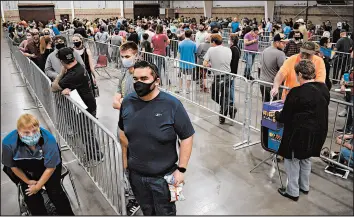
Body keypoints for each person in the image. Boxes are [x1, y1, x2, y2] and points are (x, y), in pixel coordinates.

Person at [118, 60, 194, 216]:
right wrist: (125, 162)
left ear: (157, 80)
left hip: (163, 179)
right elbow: (122, 131)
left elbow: (186, 137)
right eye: (135, 79)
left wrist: (181, 169)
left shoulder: (172, 105)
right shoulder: (127, 102)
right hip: (137, 176)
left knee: (165, 213)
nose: (138, 83)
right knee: (147, 211)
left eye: (144, 79)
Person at [275, 59, 329, 201]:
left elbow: (285, 116)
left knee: (292, 161)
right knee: (305, 159)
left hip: (299, 134)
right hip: (318, 133)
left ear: (299, 74)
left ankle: (293, 191)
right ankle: (304, 186)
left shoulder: (296, 92)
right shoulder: (324, 89)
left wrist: (277, 115)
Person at [1, 114, 75, 215]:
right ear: (18, 132)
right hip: (25, 170)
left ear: (39, 129)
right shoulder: (8, 143)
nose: (31, 135)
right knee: (31, 197)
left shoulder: (49, 140)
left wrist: (38, 186)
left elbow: (51, 167)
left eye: (34, 131)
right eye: (26, 133)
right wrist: (27, 181)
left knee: (56, 193)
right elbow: (12, 166)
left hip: (48, 168)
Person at [51, 47, 103, 163]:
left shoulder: (73, 74)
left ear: (62, 61)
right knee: (84, 133)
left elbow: (54, 87)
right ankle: (92, 154)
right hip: (84, 105)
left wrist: (61, 73)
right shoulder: (79, 66)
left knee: (87, 133)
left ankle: (97, 156)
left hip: (86, 107)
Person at [203, 34, 236, 124]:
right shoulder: (228, 49)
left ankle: (227, 109)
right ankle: (228, 110)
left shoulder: (211, 49)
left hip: (219, 77)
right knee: (225, 96)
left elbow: (204, 63)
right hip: (228, 75)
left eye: (210, 41)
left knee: (214, 95)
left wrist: (210, 64)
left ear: (213, 42)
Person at [259, 33, 287, 102]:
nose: (285, 45)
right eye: (283, 43)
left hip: (263, 82)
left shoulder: (265, 50)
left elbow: (260, 66)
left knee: (266, 108)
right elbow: (283, 70)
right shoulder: (280, 54)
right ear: (277, 42)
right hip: (273, 85)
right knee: (274, 109)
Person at [112, 42, 138, 110]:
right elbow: (117, 98)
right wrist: (118, 102)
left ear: (136, 55)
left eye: (127, 56)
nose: (124, 59)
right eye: (122, 57)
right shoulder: (123, 74)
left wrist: (122, 102)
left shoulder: (142, 76)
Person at [177, 29, 197, 94]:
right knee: (189, 77)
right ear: (191, 35)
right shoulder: (193, 44)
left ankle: (180, 89)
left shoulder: (180, 43)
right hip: (190, 63)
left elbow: (179, 53)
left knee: (181, 76)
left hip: (182, 63)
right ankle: (187, 89)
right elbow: (195, 52)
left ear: (184, 34)